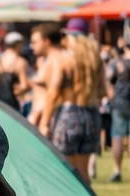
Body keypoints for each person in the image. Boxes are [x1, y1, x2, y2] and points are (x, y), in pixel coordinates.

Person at [32, 23, 101, 179]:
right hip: (91, 113)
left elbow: (53, 92)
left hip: (68, 115)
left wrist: (44, 124)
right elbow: (103, 92)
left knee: (64, 170)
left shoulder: (63, 59)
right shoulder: (94, 60)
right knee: (83, 172)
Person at [106, 41, 130, 182]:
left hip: (119, 104)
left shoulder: (118, 64)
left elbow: (108, 80)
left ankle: (117, 170)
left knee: (117, 137)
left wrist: (111, 98)